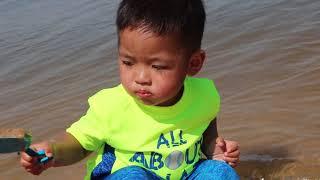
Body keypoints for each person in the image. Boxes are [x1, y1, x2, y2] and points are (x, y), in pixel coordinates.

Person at [20, 0, 240, 179]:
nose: (141, 78)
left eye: (157, 66)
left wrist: (217, 150)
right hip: (119, 176)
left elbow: (207, 133)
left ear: (193, 63)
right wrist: (53, 151)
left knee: (219, 172)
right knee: (132, 176)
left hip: (184, 175)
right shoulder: (110, 106)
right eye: (128, 62)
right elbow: (78, 144)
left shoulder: (205, 95)